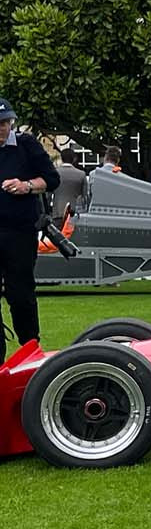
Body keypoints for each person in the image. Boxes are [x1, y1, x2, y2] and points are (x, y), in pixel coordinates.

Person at [0, 96, 63, 353]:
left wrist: (26, 186)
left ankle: (30, 348)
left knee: (21, 292)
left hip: (19, 232)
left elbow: (52, 179)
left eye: (5, 123)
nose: (2, 128)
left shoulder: (26, 145)